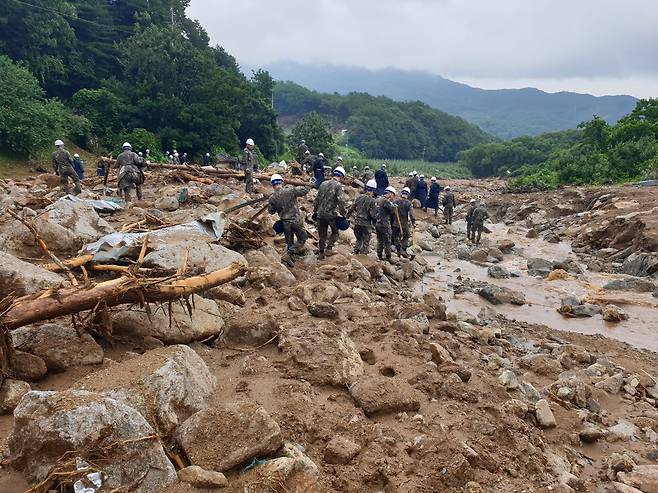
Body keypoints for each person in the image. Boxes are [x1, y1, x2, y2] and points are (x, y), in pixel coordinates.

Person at [267, 174, 311, 259]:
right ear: (282, 182)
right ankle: (289, 254)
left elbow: (271, 212)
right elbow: (304, 191)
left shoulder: (272, 198)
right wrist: (309, 185)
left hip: (285, 223)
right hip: (296, 220)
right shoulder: (290, 190)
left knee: (289, 242)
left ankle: (289, 257)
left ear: (272, 185)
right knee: (302, 239)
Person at [313, 166, 347, 259]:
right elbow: (341, 201)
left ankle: (321, 253)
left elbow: (316, 200)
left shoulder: (323, 183)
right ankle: (329, 248)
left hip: (320, 214)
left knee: (322, 234)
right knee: (335, 232)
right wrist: (344, 215)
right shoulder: (338, 186)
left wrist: (315, 212)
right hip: (330, 215)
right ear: (342, 177)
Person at [347, 179, 378, 254]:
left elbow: (351, 208)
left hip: (357, 222)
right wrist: (375, 222)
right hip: (366, 224)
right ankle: (363, 257)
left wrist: (347, 217)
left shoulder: (359, 197)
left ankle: (356, 252)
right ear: (374, 189)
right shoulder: (373, 201)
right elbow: (373, 215)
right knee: (365, 241)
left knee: (358, 239)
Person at [375, 186, 397, 262]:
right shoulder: (386, 201)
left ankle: (379, 255)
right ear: (390, 194)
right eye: (393, 195)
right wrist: (394, 206)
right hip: (384, 224)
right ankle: (388, 257)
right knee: (387, 241)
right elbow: (392, 210)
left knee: (380, 240)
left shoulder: (378, 199)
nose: (393, 197)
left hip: (377, 223)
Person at [393, 187, 416, 257]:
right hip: (404, 224)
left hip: (395, 223)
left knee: (395, 236)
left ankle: (397, 250)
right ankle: (403, 250)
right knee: (406, 236)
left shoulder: (395, 202)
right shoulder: (408, 203)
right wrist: (413, 222)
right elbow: (412, 214)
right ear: (408, 194)